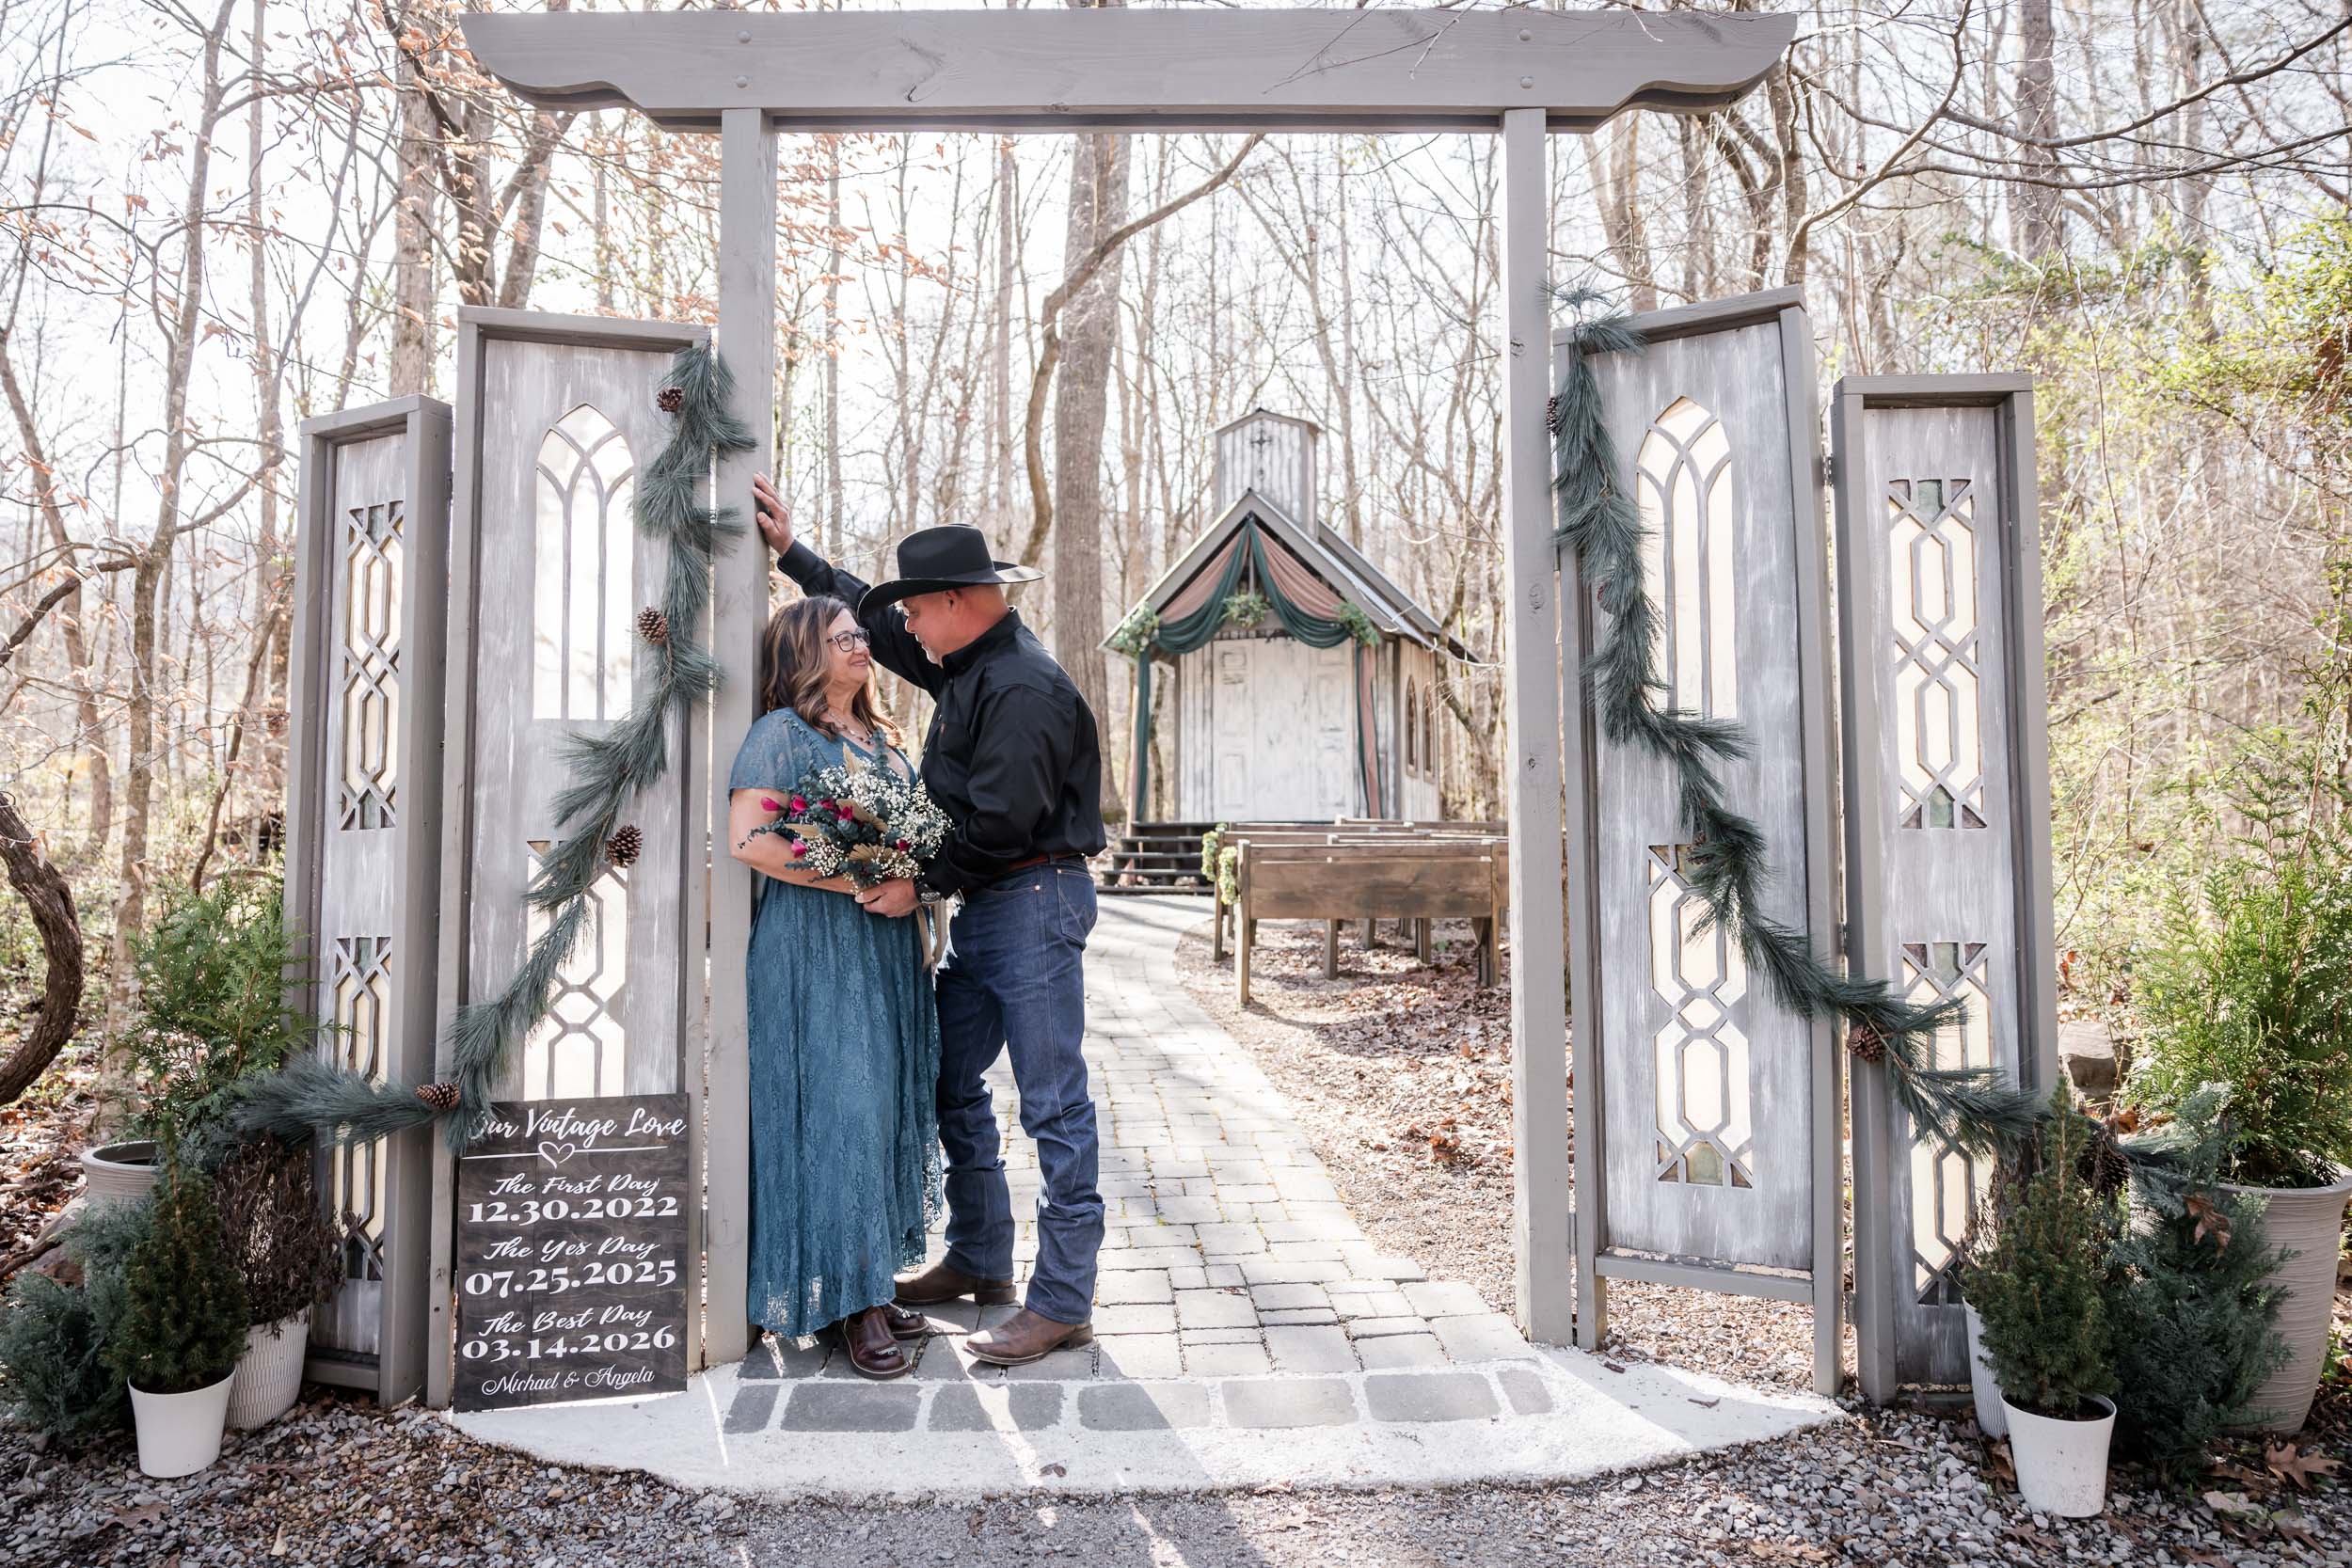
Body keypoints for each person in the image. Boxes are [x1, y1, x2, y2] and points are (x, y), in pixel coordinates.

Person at [752, 473, 1108, 1368]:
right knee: (944, 1073)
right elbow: (862, 639)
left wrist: (916, 883)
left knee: (1055, 1104)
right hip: (992, 906)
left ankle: (1061, 1298)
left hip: (1033, 900)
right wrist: (796, 556)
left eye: (912, 609)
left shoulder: (1024, 689)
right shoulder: (970, 663)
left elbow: (999, 825)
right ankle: (982, 1257)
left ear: (956, 602)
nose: (896, 628)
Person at [726, 594, 943, 1379]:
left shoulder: (883, 739)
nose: (860, 643)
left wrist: (911, 871)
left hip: (885, 948)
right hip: (815, 946)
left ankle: (872, 1280)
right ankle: (850, 1308)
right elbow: (751, 837)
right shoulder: (780, 734)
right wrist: (861, 871)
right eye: (843, 634)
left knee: (880, 1107)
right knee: (842, 1107)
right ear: (803, 650)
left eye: (860, 633)